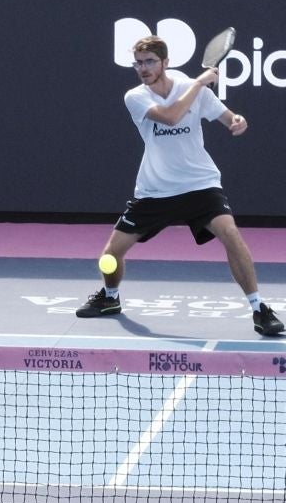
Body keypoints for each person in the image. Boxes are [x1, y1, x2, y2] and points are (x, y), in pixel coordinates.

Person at [76, 35, 285, 336]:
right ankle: (110, 299)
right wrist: (199, 83)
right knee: (110, 257)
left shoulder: (190, 87)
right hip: (155, 190)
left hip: (200, 184)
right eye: (138, 63)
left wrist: (237, 122)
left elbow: (228, 118)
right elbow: (171, 117)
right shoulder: (136, 96)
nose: (143, 68)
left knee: (230, 233)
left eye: (149, 61)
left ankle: (259, 309)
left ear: (165, 62)